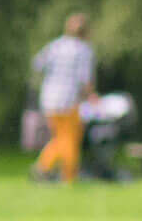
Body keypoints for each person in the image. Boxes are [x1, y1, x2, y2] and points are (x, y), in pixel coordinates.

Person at [30, 13, 96, 183]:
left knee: (60, 137)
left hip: (49, 99)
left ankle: (46, 167)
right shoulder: (83, 50)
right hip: (69, 100)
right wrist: (92, 97)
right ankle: (63, 174)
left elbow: (37, 63)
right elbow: (85, 79)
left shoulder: (56, 45)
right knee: (70, 138)